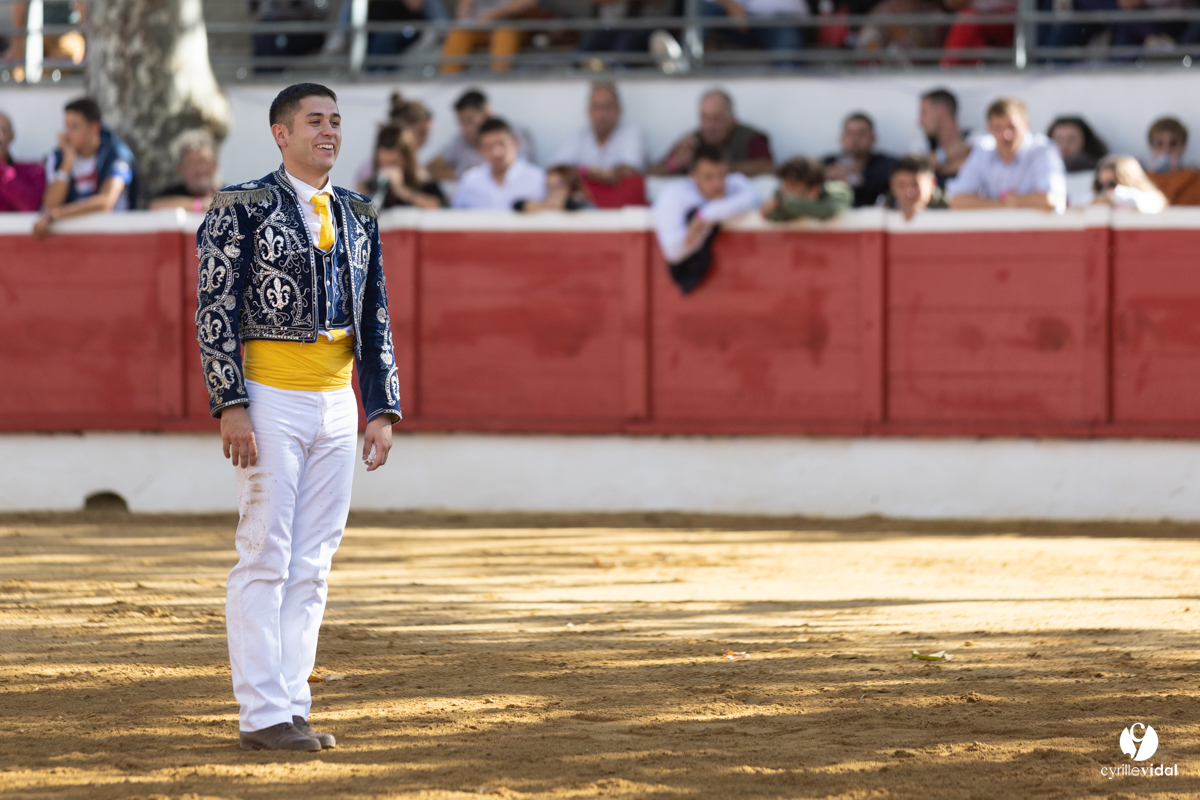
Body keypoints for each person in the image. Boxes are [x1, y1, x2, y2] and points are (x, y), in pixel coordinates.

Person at [195, 83, 400, 752]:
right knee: (264, 553)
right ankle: (261, 715)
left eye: (336, 120)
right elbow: (214, 310)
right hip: (270, 398)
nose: (329, 131)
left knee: (312, 561)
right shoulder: (239, 205)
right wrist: (230, 403)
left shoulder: (360, 211)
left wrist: (380, 408)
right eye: (315, 121)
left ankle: (291, 704)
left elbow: (374, 316)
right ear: (281, 133)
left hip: (339, 402)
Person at [651, 144, 760, 293]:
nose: (718, 183)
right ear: (693, 176)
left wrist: (705, 215)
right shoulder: (674, 195)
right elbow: (673, 252)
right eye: (708, 177)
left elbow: (753, 199)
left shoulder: (734, 182)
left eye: (721, 175)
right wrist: (705, 220)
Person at [33, 97, 138, 238]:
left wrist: (56, 215)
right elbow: (50, 205)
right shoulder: (58, 157)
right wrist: (67, 163)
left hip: (115, 240)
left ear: (94, 128)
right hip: (73, 244)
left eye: (74, 126)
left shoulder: (118, 155)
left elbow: (105, 202)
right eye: (66, 126)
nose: (67, 134)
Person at [947, 97, 1066, 212]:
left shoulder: (1043, 150)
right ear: (989, 129)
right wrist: (1004, 204)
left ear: (1026, 125)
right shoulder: (983, 150)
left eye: (1012, 127)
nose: (1005, 135)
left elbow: (1051, 200)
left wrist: (1007, 202)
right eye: (998, 128)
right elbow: (956, 201)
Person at [550, 82, 646, 208]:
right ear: (589, 111)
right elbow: (556, 169)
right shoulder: (578, 136)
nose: (601, 114)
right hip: (583, 210)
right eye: (596, 107)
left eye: (607, 107)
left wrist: (584, 174)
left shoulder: (632, 134)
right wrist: (588, 170)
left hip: (621, 210)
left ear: (618, 110)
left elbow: (630, 170)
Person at [651, 89, 774, 178]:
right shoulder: (691, 141)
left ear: (732, 120)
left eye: (716, 118)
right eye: (704, 118)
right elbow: (651, 174)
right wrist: (675, 163)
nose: (709, 125)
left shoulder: (750, 138)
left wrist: (724, 169)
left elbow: (768, 168)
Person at [426, 88, 535, 180]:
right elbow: (430, 168)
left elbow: (520, 169)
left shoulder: (516, 132)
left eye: (469, 121)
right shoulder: (461, 140)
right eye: (461, 123)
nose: (465, 129)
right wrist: (464, 174)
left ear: (488, 115)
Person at [452, 117, 546, 210]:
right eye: (489, 146)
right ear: (480, 150)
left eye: (501, 143)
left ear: (515, 142)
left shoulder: (539, 180)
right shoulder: (470, 181)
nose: (497, 152)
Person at [359, 123, 447, 209]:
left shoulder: (424, 182)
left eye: (393, 163)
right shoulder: (376, 186)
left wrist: (401, 191)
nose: (387, 169)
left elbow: (439, 206)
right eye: (383, 163)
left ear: (407, 159)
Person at [440, 0, 538, 73]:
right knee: (458, 33)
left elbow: (530, 3)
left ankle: (499, 81)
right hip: (479, 25)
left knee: (504, 34)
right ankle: (447, 81)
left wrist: (495, 13)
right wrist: (464, 10)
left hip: (512, 24)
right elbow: (463, 9)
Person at [823, 112, 895, 208]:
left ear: (873, 138)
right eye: (850, 133)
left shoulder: (887, 166)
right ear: (842, 137)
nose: (855, 139)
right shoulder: (826, 164)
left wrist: (851, 179)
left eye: (861, 133)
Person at [760, 157, 853, 221]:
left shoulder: (838, 192)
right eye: (784, 184)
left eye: (792, 185)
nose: (784, 190)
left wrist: (783, 203)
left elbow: (829, 210)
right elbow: (773, 215)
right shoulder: (780, 194)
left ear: (814, 188)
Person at [698, 0, 807, 55]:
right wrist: (730, 5)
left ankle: (783, 80)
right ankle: (686, 62)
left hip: (776, 22)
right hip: (734, 20)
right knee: (701, 9)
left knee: (786, 37)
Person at [910, 88, 972, 182]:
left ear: (941, 110)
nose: (920, 122)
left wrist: (934, 166)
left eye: (924, 112)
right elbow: (913, 169)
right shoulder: (920, 146)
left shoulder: (977, 138)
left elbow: (981, 163)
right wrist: (946, 154)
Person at [149, 130, 219, 212]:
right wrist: (200, 205)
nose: (200, 169)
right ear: (180, 169)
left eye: (204, 162)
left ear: (214, 165)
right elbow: (155, 206)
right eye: (193, 163)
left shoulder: (228, 192)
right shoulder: (171, 195)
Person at [1142, 116, 1200, 205]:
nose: (1166, 150)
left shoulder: (1195, 179)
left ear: (1183, 146)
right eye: (1159, 143)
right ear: (1151, 147)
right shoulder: (1138, 179)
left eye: (1173, 143)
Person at [0, 111, 46, 212]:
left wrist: (1, 167)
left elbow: (31, 207)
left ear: (12, 136)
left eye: (3, 130)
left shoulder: (34, 170)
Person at [1088, 154, 1167, 213]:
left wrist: (1113, 196)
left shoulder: (1152, 198)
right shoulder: (1099, 201)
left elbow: (1149, 203)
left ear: (1128, 180)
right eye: (1100, 185)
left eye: (1111, 184)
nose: (1104, 189)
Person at [515, 165, 595, 212]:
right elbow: (518, 205)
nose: (553, 192)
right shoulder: (541, 206)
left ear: (572, 187)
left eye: (558, 186)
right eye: (548, 187)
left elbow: (576, 206)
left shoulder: (581, 204)